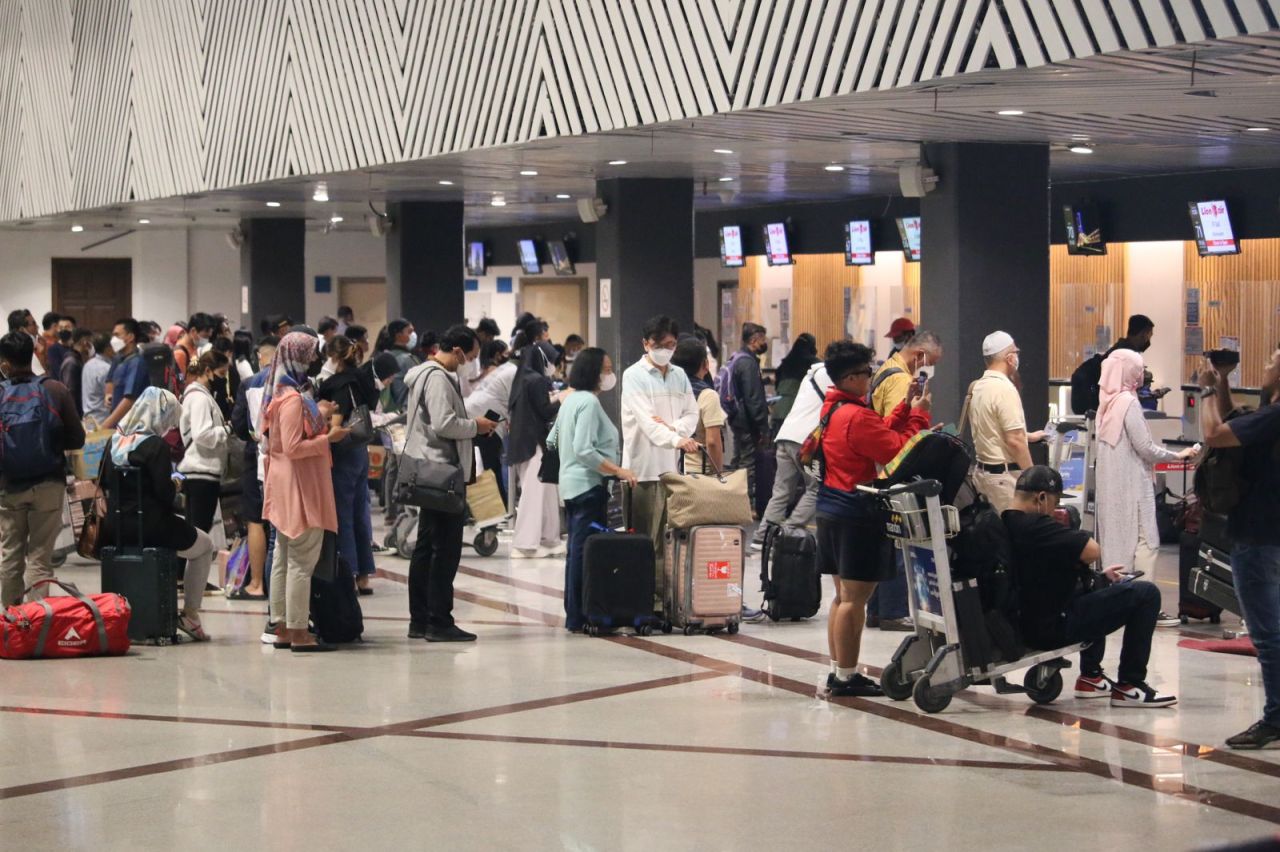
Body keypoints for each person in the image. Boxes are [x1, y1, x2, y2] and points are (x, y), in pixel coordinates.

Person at [1004, 465, 1176, 707]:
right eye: (1054, 504)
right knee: (1147, 593)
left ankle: (1091, 678)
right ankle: (1130, 684)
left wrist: (1099, 578)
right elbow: (1093, 550)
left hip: (1028, 620)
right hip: (1053, 628)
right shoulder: (1036, 527)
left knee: (1098, 584)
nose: (1054, 511)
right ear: (1041, 498)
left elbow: (1043, 568)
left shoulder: (1005, 524)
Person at [816, 343, 931, 697]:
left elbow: (876, 431)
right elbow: (896, 450)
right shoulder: (855, 415)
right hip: (856, 513)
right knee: (855, 599)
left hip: (831, 507)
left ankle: (841, 671)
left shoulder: (833, 407)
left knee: (841, 597)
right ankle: (847, 678)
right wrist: (920, 417)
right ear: (851, 378)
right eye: (867, 373)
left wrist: (902, 409)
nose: (872, 378)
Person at [1198, 348, 1280, 749]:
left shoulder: (1276, 415)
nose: (1266, 365)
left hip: (1260, 535)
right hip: (1267, 534)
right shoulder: (1268, 413)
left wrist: (1206, 393)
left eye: (1272, 361)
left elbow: (1215, 434)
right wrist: (1224, 384)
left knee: (1268, 635)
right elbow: (1239, 421)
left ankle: (1276, 720)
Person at [403, 325, 496, 642]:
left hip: (427, 468)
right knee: (445, 550)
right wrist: (476, 425)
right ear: (457, 351)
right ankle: (439, 621)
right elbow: (444, 424)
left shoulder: (424, 375)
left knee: (427, 547)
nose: (470, 362)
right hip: (442, 473)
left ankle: (420, 618)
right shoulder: (439, 379)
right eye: (470, 356)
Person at [100, 387, 214, 641]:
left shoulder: (112, 442)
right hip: (152, 526)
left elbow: (106, 484)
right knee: (205, 545)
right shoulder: (155, 446)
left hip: (115, 527)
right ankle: (191, 615)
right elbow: (164, 496)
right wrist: (175, 484)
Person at [1094, 350, 1193, 629]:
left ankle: (1118, 605)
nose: (1142, 374)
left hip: (1112, 489)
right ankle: (1145, 608)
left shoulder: (1107, 403)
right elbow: (1145, 448)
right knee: (1147, 541)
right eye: (1139, 368)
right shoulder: (1128, 403)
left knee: (1117, 543)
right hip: (1134, 487)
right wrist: (1178, 455)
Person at [261, 332, 346, 652]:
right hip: (300, 487)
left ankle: (282, 624)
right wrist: (331, 437)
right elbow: (295, 446)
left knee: (284, 557)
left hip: (284, 484)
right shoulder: (294, 400)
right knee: (301, 560)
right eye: (310, 354)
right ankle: (299, 631)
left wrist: (320, 413)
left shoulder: (281, 394)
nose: (314, 360)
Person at [549, 348, 637, 632]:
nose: (609, 375)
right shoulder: (587, 403)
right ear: (593, 372)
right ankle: (583, 614)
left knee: (576, 551)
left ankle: (574, 613)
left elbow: (553, 440)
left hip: (571, 486)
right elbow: (584, 449)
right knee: (585, 552)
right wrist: (616, 469)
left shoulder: (570, 400)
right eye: (606, 369)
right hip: (588, 488)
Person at [866, 329, 944, 631]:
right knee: (898, 541)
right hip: (892, 472)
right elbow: (897, 438)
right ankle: (893, 611)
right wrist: (923, 428)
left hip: (878, 471)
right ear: (919, 355)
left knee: (884, 542)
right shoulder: (901, 380)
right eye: (930, 363)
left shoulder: (886, 369)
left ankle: (876, 609)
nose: (928, 371)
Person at [0, 332, 86, 606]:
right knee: (39, 558)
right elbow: (78, 438)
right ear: (35, 354)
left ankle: (10, 623)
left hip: (10, 486)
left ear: (4, 362)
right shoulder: (55, 389)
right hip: (49, 484)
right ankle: (34, 624)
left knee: (10, 555)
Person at [620, 315, 700, 604]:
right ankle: (639, 599)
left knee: (667, 541)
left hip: (669, 470)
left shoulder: (678, 375)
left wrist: (675, 429)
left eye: (671, 344)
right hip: (642, 470)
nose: (666, 350)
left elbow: (692, 413)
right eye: (660, 344)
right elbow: (646, 423)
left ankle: (661, 598)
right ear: (646, 344)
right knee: (644, 541)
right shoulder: (634, 376)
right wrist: (675, 437)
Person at [753, 340, 847, 550]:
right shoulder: (828, 374)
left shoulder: (811, 373)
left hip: (786, 435)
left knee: (781, 491)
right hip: (805, 441)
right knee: (816, 488)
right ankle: (787, 531)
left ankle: (762, 538)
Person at [317, 336, 381, 594]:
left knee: (341, 514)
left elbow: (336, 424)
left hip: (342, 453)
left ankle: (348, 571)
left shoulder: (338, 385)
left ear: (333, 357)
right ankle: (364, 573)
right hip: (360, 450)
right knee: (360, 512)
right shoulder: (363, 379)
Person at [966, 331, 1045, 513]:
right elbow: (1015, 441)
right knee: (1015, 535)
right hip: (1004, 480)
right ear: (1009, 358)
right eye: (1016, 352)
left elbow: (990, 428)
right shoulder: (1004, 389)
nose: (1017, 357)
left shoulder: (978, 386)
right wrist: (1031, 479)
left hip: (983, 476)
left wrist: (1028, 436)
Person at [507, 338, 563, 558]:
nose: (553, 366)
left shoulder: (522, 378)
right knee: (534, 494)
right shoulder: (538, 380)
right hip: (534, 445)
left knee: (546, 491)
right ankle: (525, 544)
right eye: (551, 361)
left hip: (524, 444)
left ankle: (549, 539)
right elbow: (545, 411)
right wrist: (561, 399)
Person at [178, 351, 231, 554]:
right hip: (201, 470)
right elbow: (202, 434)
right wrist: (226, 430)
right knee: (198, 534)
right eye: (221, 372)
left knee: (194, 531)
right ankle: (184, 578)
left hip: (199, 470)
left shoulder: (197, 396)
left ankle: (185, 578)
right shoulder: (200, 398)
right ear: (207, 371)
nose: (223, 378)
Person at [724, 322, 771, 507]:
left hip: (738, 418)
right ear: (754, 340)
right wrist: (762, 426)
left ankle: (732, 500)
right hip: (747, 421)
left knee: (738, 460)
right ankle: (744, 504)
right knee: (747, 463)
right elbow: (753, 398)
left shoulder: (738, 358)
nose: (764, 343)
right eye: (762, 339)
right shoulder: (747, 362)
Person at [465, 339, 515, 506]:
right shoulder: (513, 371)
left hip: (479, 415)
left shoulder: (505, 369)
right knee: (489, 469)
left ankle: (494, 512)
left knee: (487, 467)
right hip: (483, 420)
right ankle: (494, 513)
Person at [1073, 315, 1156, 414]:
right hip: (1093, 398)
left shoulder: (1121, 348)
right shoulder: (1125, 354)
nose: (1148, 341)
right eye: (1149, 336)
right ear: (1143, 334)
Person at [672, 334, 726, 475]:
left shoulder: (668, 392)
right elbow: (713, 441)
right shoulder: (707, 395)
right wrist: (717, 473)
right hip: (699, 471)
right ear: (705, 364)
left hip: (670, 470)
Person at [101, 318, 151, 429]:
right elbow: (110, 381)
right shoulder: (119, 359)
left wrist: (106, 425)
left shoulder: (137, 363)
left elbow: (129, 400)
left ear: (130, 337)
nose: (113, 339)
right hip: (119, 424)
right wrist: (108, 395)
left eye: (117, 335)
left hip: (131, 426)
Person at [770, 333, 817, 436]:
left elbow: (777, 386)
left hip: (778, 412)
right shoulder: (813, 364)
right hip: (797, 412)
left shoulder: (785, 363)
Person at [380, 318, 420, 413]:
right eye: (409, 331)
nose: (413, 335)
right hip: (407, 411)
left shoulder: (384, 356)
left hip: (389, 411)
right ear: (398, 335)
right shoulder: (407, 360)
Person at [174, 312, 217, 384]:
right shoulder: (180, 353)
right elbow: (180, 379)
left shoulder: (194, 347)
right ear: (193, 331)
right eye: (205, 337)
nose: (206, 340)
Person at [60, 328, 94, 419]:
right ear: (84, 342)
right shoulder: (71, 363)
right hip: (75, 415)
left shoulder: (78, 360)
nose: (92, 346)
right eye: (91, 342)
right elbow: (71, 392)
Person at [81, 333, 113, 423]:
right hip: (103, 419)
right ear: (108, 349)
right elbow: (111, 397)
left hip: (88, 418)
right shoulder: (107, 369)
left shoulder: (87, 364)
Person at [42, 312, 71, 381]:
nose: (63, 329)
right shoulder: (50, 344)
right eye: (61, 326)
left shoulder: (43, 340)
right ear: (55, 326)